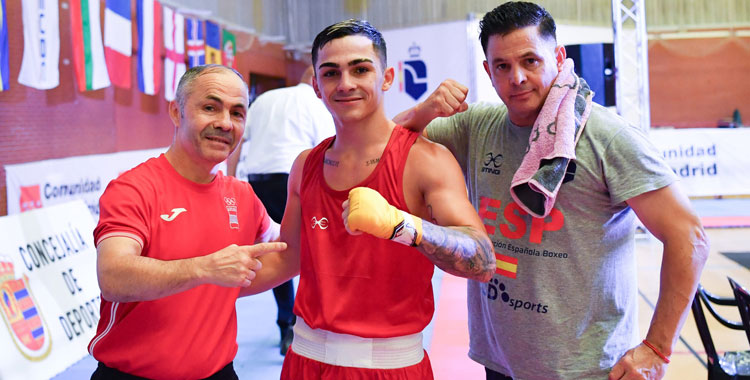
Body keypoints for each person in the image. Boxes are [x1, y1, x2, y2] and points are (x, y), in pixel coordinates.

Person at [394, 2, 709, 380]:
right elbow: (387, 148)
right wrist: (423, 111)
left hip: (588, 369)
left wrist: (657, 348)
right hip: (500, 361)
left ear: (558, 58)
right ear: (488, 72)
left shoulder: (607, 137)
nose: (518, 78)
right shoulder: (476, 126)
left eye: (531, 61)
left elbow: (689, 236)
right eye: (503, 66)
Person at [241, 19, 496, 379]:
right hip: (303, 361)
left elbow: (482, 260)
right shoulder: (305, 165)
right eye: (330, 73)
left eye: (360, 69)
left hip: (388, 366)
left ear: (387, 77)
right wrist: (197, 280)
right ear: (316, 85)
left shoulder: (426, 160)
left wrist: (403, 226)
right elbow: (288, 258)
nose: (345, 84)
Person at [88, 64, 286, 380]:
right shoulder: (135, 188)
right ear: (177, 112)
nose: (225, 123)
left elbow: (285, 249)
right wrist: (204, 268)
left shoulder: (242, 196)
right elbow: (113, 276)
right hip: (132, 374)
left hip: (220, 372)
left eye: (237, 113)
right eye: (210, 107)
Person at [226, 65, 335, 355]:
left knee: (276, 249)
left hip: (257, 179)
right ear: (315, 81)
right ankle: (315, 319)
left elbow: (238, 142)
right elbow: (327, 148)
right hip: (294, 179)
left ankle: (287, 324)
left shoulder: (264, 99)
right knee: (315, 247)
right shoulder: (315, 102)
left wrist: (232, 176)